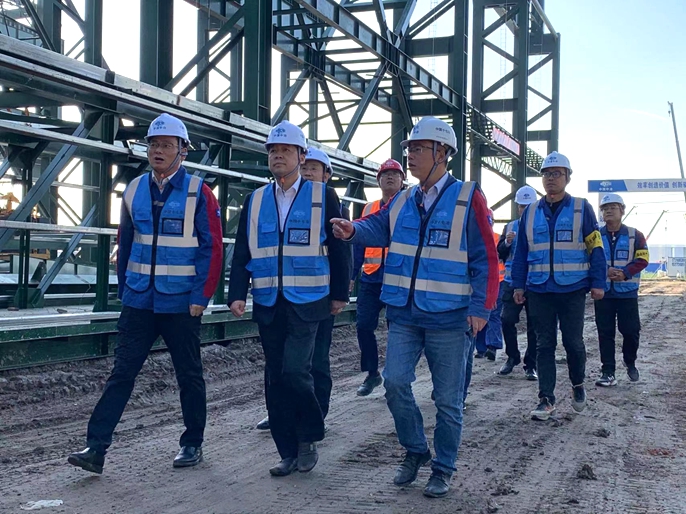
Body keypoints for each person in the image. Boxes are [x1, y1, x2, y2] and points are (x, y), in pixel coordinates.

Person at [331, 116, 498, 498]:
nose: (411, 155)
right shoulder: (404, 199)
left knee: (448, 400)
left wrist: (481, 308)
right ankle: (416, 450)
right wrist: (354, 230)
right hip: (404, 313)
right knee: (394, 383)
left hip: (449, 317)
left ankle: (443, 467)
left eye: (419, 148)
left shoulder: (467, 197)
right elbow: (378, 226)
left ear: (443, 153)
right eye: (410, 148)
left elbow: (485, 257)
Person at [67, 114, 224, 474]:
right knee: (122, 373)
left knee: (189, 374)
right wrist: (124, 288)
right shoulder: (134, 189)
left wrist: (201, 295)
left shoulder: (199, 192)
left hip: (181, 301)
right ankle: (95, 447)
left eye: (166, 145)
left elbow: (212, 247)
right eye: (153, 144)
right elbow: (125, 241)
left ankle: (192, 443)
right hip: (139, 300)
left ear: (183, 151)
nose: (158, 150)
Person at [228, 121, 350, 477]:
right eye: (273, 151)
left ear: (301, 155)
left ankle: (308, 436)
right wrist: (237, 294)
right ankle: (286, 451)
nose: (278, 156)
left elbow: (339, 247)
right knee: (276, 379)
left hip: (309, 299)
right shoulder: (255, 200)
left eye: (285, 150)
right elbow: (243, 250)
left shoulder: (322, 196)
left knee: (297, 371)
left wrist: (340, 293)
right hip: (268, 300)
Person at [254, 147, 350, 431]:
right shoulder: (277, 201)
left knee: (316, 358)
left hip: (318, 295)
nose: (308, 173)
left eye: (314, 169)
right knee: (280, 361)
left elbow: (341, 252)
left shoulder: (329, 203)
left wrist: (339, 293)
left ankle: (316, 413)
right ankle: (279, 411)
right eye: (306, 168)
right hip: (281, 295)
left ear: (327, 175)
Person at [511, 151, 606, 421]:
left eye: (556, 174)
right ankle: (546, 399)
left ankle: (578, 384)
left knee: (573, 342)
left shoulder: (581, 208)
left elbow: (595, 247)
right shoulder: (530, 213)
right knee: (544, 344)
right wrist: (518, 285)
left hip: (572, 288)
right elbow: (521, 253)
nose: (550, 179)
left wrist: (598, 281)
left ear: (567, 177)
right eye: (546, 174)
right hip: (539, 289)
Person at [351, 158, 404, 396]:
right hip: (371, 279)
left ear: (402, 181)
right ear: (378, 181)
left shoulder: (409, 208)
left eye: (395, 174)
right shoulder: (368, 208)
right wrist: (351, 275)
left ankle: (395, 377)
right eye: (385, 174)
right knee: (363, 326)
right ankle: (372, 374)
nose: (390, 177)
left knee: (398, 331)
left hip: (398, 279)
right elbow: (358, 243)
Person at [594, 193, 648, 386]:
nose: (608, 211)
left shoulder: (635, 235)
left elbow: (643, 259)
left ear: (622, 210)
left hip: (627, 293)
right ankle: (608, 371)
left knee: (631, 330)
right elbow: (588, 258)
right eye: (605, 208)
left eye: (613, 207)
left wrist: (625, 273)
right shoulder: (595, 236)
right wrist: (605, 270)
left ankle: (630, 361)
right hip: (603, 293)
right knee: (605, 333)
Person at [498, 185, 538, 379]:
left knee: (534, 325)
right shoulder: (510, 227)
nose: (524, 209)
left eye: (527, 206)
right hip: (512, 281)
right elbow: (499, 252)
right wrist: (507, 242)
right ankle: (512, 356)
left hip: (534, 282)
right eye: (521, 206)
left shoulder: (541, 227)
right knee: (507, 320)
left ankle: (531, 364)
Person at [474, 209, 504, 360]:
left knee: (493, 314)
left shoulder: (498, 238)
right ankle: (481, 348)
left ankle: (492, 346)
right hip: (481, 282)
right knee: (480, 312)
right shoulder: (475, 238)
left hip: (498, 281)